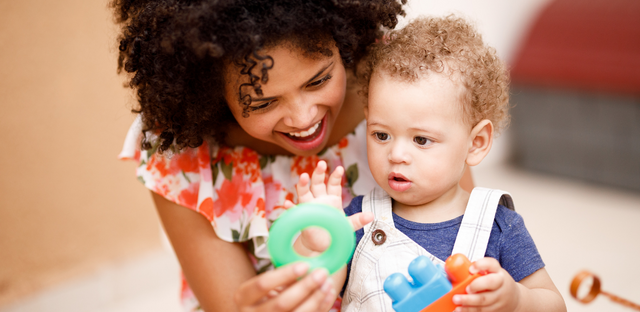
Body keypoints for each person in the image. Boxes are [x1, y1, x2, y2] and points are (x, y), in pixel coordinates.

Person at [109, 1, 474, 311]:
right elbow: (229, 301)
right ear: (210, 92)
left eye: (318, 81)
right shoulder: (181, 152)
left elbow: (470, 241)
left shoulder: (400, 82)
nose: (304, 119)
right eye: (264, 102)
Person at [292, 16, 567, 312]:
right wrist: (318, 248)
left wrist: (516, 299)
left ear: (476, 143)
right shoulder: (360, 219)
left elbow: (554, 304)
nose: (396, 154)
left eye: (421, 140)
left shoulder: (498, 225)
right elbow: (315, 299)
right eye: (381, 134)